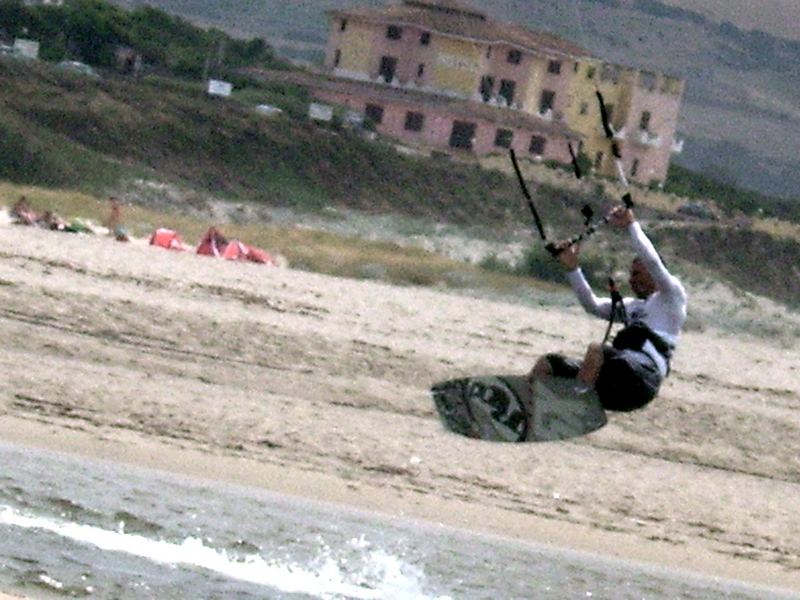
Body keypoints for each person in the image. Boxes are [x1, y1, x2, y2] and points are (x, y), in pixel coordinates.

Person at [529, 204, 688, 411]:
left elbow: (652, 260)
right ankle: (527, 407)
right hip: (615, 379)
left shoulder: (671, 297)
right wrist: (572, 269)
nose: (632, 280)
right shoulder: (631, 307)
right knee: (549, 364)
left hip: (641, 380)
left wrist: (631, 225)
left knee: (597, 351)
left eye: (637, 274)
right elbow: (592, 305)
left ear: (653, 274)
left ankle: (575, 408)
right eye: (631, 275)